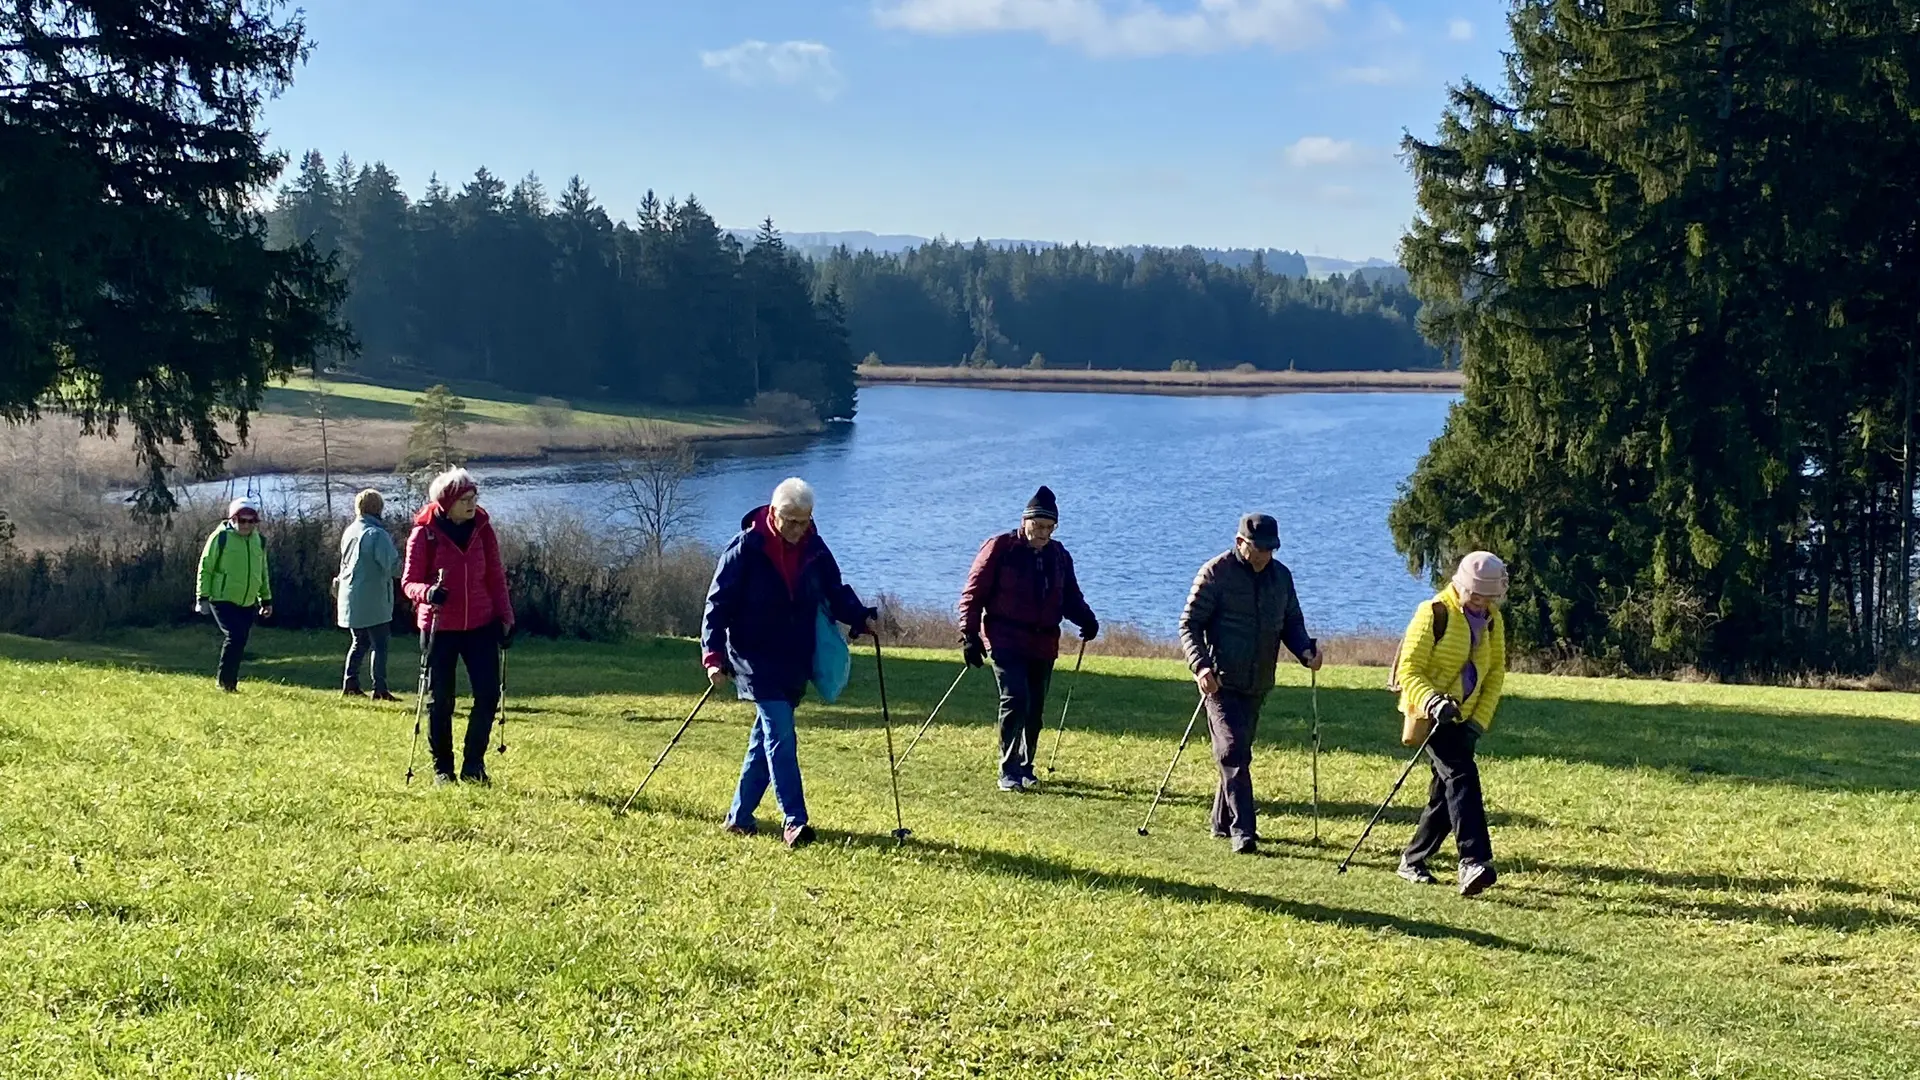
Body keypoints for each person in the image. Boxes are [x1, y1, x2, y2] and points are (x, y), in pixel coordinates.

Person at [702, 477, 877, 849]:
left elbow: (834, 588)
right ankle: (795, 821)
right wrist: (713, 655)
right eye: (792, 520)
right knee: (780, 733)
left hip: (795, 655)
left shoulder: (814, 546)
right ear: (774, 512)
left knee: (764, 739)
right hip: (753, 656)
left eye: (806, 520)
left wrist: (860, 617)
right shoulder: (746, 547)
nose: (799, 529)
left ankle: (739, 818)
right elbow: (716, 605)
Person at [1177, 513, 1321, 855]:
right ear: (1241, 543)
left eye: (1271, 549)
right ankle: (1245, 831)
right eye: (1260, 548)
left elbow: (1291, 622)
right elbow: (1189, 625)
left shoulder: (1281, 577)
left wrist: (1305, 650)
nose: (1266, 555)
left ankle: (1221, 822)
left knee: (1237, 753)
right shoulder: (1216, 573)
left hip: (1258, 681)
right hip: (1220, 681)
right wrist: (1200, 667)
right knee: (1232, 751)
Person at [958, 485, 1099, 791]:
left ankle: (1025, 766)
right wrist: (969, 634)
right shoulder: (1000, 547)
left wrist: (1086, 618)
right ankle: (1007, 770)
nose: (1043, 534)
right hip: (1005, 637)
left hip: (1043, 642)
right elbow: (973, 593)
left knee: (1035, 708)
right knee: (1015, 698)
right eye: (1038, 526)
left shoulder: (1060, 556)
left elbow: (1070, 597)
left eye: (1050, 528)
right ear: (1025, 521)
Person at [1394, 551, 1509, 896]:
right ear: (1461, 586)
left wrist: (1478, 722)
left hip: (1466, 717)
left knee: (1446, 793)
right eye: (1476, 596)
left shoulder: (1492, 620)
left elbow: (1495, 674)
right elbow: (1408, 670)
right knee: (1462, 777)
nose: (1482, 603)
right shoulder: (1434, 613)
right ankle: (1474, 862)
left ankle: (1412, 860)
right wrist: (1432, 701)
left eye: (1489, 598)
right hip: (1430, 716)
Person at [402, 468, 513, 786]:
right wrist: (427, 593)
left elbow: (495, 575)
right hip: (440, 627)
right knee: (441, 701)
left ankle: (474, 765)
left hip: (481, 623)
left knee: (488, 694)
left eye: (474, 497)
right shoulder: (424, 534)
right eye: (465, 499)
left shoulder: (483, 529)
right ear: (446, 502)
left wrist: (506, 617)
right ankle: (442, 769)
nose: (472, 503)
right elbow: (409, 582)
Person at [195, 497, 273, 693]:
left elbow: (262, 571)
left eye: (251, 521)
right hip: (221, 598)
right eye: (242, 520)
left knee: (240, 640)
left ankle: (231, 682)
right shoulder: (220, 537)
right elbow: (206, 567)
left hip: (247, 601)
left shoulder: (259, 541)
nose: (246, 525)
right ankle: (225, 682)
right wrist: (202, 598)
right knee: (235, 636)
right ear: (233, 519)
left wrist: (266, 599)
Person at [336, 488, 401, 700]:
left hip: (351, 596)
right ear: (378, 509)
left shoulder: (350, 531)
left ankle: (350, 682)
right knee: (380, 644)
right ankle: (379, 688)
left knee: (359, 642)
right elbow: (391, 566)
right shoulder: (377, 534)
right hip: (373, 598)